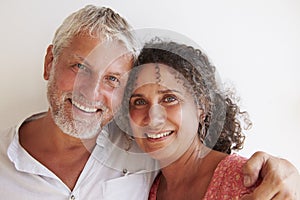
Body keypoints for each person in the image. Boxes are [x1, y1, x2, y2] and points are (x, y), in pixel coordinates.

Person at [0, 4, 299, 200]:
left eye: (113, 79)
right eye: (79, 67)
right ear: (50, 62)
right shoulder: (151, 165)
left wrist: (291, 178)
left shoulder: (142, 150)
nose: (90, 92)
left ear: (203, 105)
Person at [117, 39, 300, 199]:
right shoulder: (148, 189)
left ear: (202, 106)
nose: (153, 117)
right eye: (139, 101)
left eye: (169, 98)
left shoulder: (247, 181)